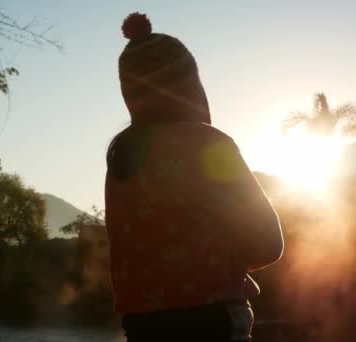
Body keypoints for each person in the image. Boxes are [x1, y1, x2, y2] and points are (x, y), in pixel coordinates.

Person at [105, 13, 284, 341]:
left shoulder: (121, 159)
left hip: (141, 326)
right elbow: (268, 242)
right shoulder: (208, 145)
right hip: (211, 322)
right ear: (190, 88)